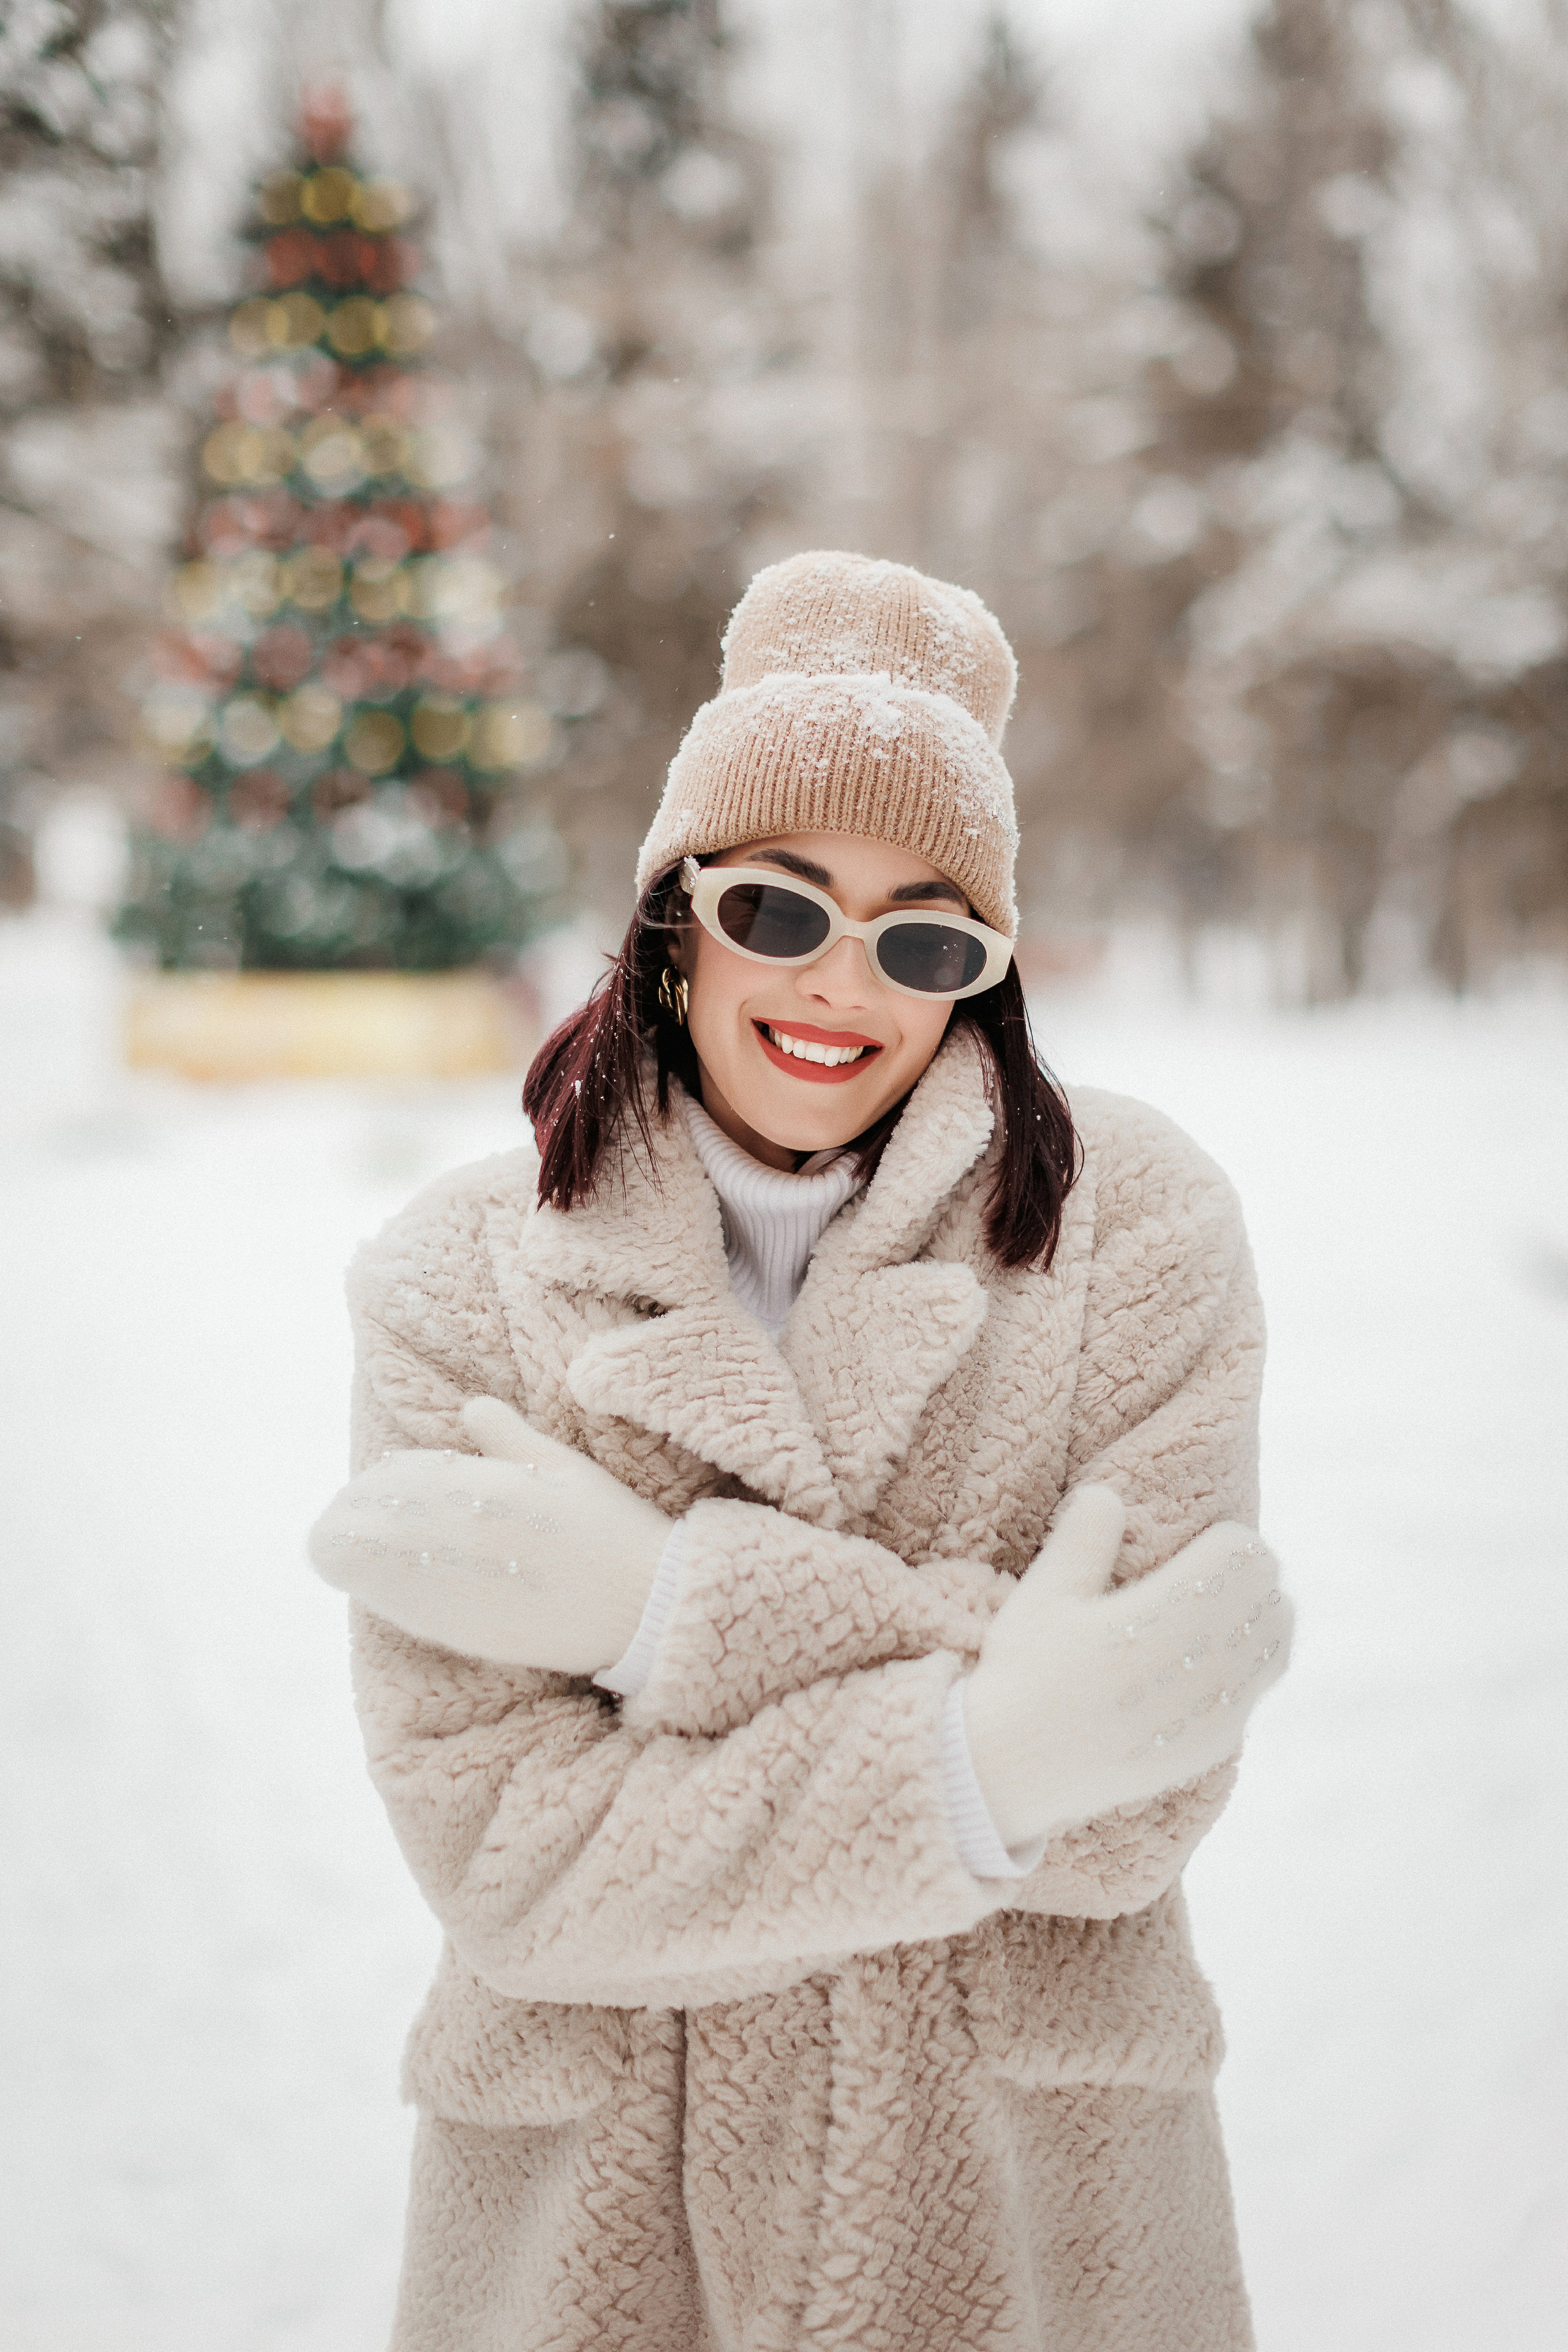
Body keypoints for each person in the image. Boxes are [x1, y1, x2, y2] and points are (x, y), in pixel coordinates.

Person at [310, 551, 1292, 2352]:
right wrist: (991, 1753)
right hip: (608, 2241)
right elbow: (515, 1862)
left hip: (1034, 2225)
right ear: (675, 911)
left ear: (981, 975)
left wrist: (665, 1612)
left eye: (926, 937)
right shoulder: (462, 1281)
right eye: (780, 907)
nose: (845, 985)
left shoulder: (1134, 1231)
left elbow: (1141, 1786)